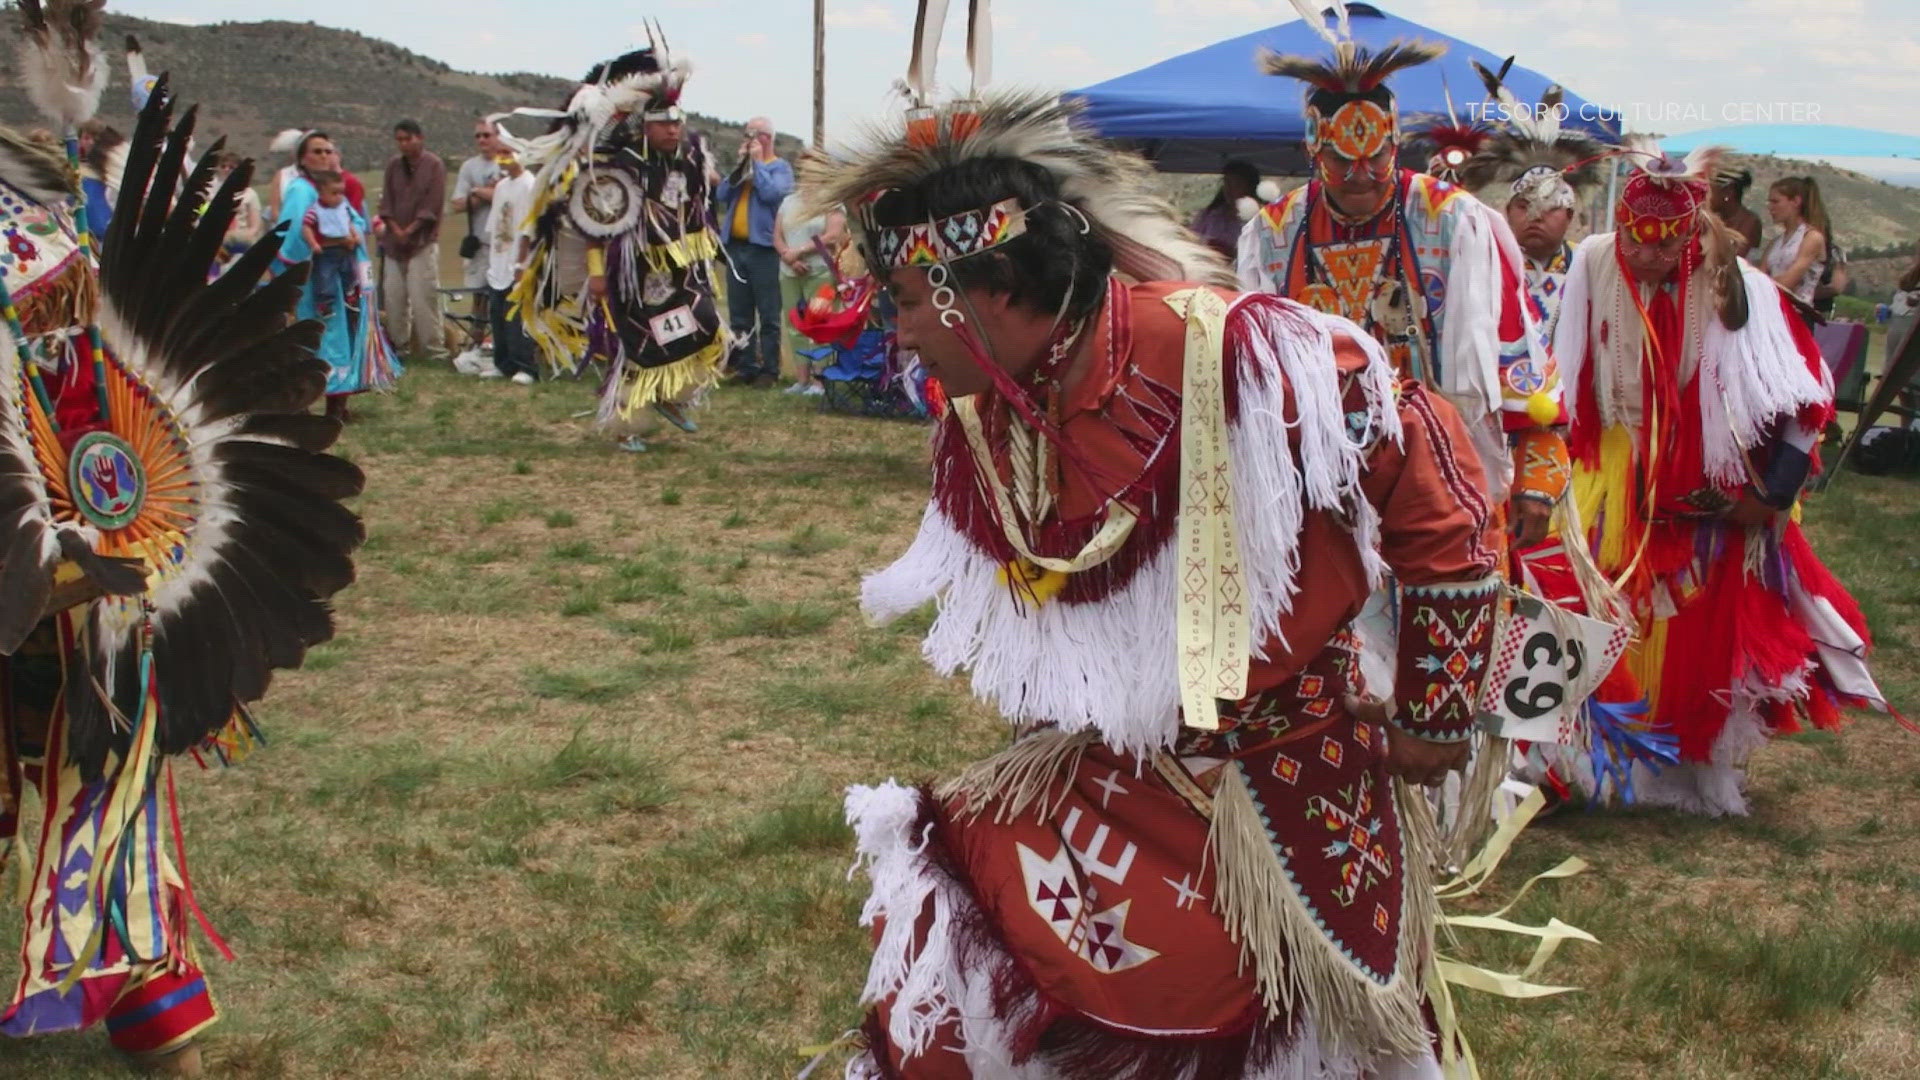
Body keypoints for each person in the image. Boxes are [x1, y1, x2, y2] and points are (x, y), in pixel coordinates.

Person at [813, 57, 1529, 1069]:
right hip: (1111, 771)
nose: (901, 334)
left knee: (1315, 1041)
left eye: (904, 303)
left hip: (1285, 785)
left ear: (986, 291)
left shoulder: (1241, 356)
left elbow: (1431, 466)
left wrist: (1437, 707)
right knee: (958, 938)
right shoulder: (990, 416)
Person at [0, 63, 365, 1077]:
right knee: (103, 798)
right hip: (81, 574)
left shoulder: (30, 225)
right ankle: (160, 1038)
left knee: (105, 801)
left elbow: (86, 387)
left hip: (79, 592)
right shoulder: (34, 217)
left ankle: (161, 1034)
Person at [1551, 145, 1891, 816]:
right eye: (1633, 240)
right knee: (1605, 606)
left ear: (1690, 233)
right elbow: (1561, 369)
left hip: (1708, 476)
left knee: (1701, 618)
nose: (1644, 257)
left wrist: (1769, 497)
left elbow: (1806, 399)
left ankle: (1698, 761)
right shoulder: (1591, 261)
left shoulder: (1744, 289)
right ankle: (1606, 756)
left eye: (1663, 243)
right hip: (1613, 465)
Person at [1240, 32, 1569, 554]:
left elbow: (1515, 345)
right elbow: (1252, 370)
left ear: (1394, 142)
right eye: (1340, 159)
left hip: (1443, 474)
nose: (1360, 175)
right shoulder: (1272, 235)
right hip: (1319, 487)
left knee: (1447, 622)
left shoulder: (1454, 220)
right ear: (1313, 146)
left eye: (1376, 157)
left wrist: (1539, 477)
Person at [504, 40, 725, 451]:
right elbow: (596, 221)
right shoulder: (619, 162)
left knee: (705, 324)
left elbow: (699, 206)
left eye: (677, 122)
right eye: (663, 123)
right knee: (635, 344)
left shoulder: (691, 155)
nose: (673, 129)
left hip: (680, 265)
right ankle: (627, 426)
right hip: (632, 271)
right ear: (646, 126)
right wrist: (596, 271)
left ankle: (672, 396)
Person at [1454, 76, 1607, 347]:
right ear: (1507, 211)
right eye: (1524, 207)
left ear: (1569, 215)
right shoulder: (1485, 264)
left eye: (1550, 209)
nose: (1536, 216)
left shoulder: (1588, 268)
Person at [273, 130, 402, 419]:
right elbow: (292, 231)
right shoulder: (300, 189)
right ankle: (301, 407)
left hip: (341, 274)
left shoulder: (335, 189)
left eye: (328, 151)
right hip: (313, 277)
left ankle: (337, 407)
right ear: (302, 158)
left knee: (340, 338)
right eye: (317, 151)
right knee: (314, 336)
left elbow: (357, 221)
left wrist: (352, 236)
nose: (324, 156)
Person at [715, 116, 793, 386]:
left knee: (769, 313)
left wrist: (758, 164)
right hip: (736, 249)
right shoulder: (744, 167)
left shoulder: (780, 168)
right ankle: (745, 366)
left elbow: (773, 195)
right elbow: (722, 195)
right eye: (745, 134)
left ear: (767, 138)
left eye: (753, 134)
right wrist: (740, 166)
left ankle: (770, 370)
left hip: (764, 250)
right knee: (739, 313)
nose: (748, 139)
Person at [375, 118, 448, 362]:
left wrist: (411, 230)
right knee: (394, 298)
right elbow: (386, 203)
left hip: (422, 242)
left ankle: (433, 351)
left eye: (408, 139)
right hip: (393, 243)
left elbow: (432, 205)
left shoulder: (434, 165)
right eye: (399, 140)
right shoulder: (393, 166)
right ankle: (399, 348)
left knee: (423, 299)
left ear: (420, 138)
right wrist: (395, 229)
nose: (404, 144)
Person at [772, 192, 843, 395]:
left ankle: (819, 380)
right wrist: (789, 257)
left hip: (820, 270)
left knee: (819, 323)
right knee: (794, 324)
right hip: (789, 271)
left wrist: (800, 251)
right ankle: (801, 379)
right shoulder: (788, 201)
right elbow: (777, 235)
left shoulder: (832, 200)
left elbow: (832, 235)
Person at [486, 147, 538, 384]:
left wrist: (522, 263)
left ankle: (525, 365)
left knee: (518, 316)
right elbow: (495, 225)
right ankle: (503, 363)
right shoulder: (500, 187)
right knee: (497, 313)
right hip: (498, 258)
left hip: (517, 261)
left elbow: (529, 228)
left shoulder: (530, 185)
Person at [453, 118, 504, 337]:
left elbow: (506, 197)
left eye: (486, 135)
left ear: (498, 136)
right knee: (478, 299)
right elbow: (457, 204)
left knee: (502, 299)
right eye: (478, 135)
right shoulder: (469, 166)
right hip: (480, 243)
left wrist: (476, 191)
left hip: (504, 244)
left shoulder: (508, 162)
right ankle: (475, 342)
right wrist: (485, 192)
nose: (482, 140)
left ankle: (500, 345)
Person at [301, 170, 364, 332]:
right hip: (326, 252)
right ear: (321, 193)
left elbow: (347, 223)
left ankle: (350, 294)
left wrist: (355, 235)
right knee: (324, 276)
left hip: (344, 250)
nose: (339, 197)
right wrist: (313, 243)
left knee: (350, 272)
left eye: (341, 193)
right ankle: (324, 304)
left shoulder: (343, 206)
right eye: (334, 193)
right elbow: (306, 227)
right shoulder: (314, 210)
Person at [1761, 175, 1829, 307]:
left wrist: (1760, 285)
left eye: (1775, 202)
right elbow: (1761, 273)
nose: (1770, 207)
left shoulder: (1812, 238)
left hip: (1798, 313)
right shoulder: (1774, 243)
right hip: (1774, 309)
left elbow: (1789, 281)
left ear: (1796, 201)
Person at [1188, 159, 1262, 261]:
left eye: (1236, 185)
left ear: (1249, 188)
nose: (1229, 190)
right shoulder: (1208, 215)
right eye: (1227, 183)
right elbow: (1190, 242)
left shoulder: (1259, 219)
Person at [214, 150, 263, 268]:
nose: (226, 169)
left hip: (240, 238)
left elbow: (255, 226)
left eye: (231, 167)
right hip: (214, 238)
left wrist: (241, 237)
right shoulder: (210, 191)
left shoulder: (250, 194)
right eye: (223, 166)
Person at [1709, 167, 1763, 257]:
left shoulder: (1750, 221)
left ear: (1728, 192)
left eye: (1709, 192)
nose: (1706, 198)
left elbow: (1735, 258)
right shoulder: (1711, 219)